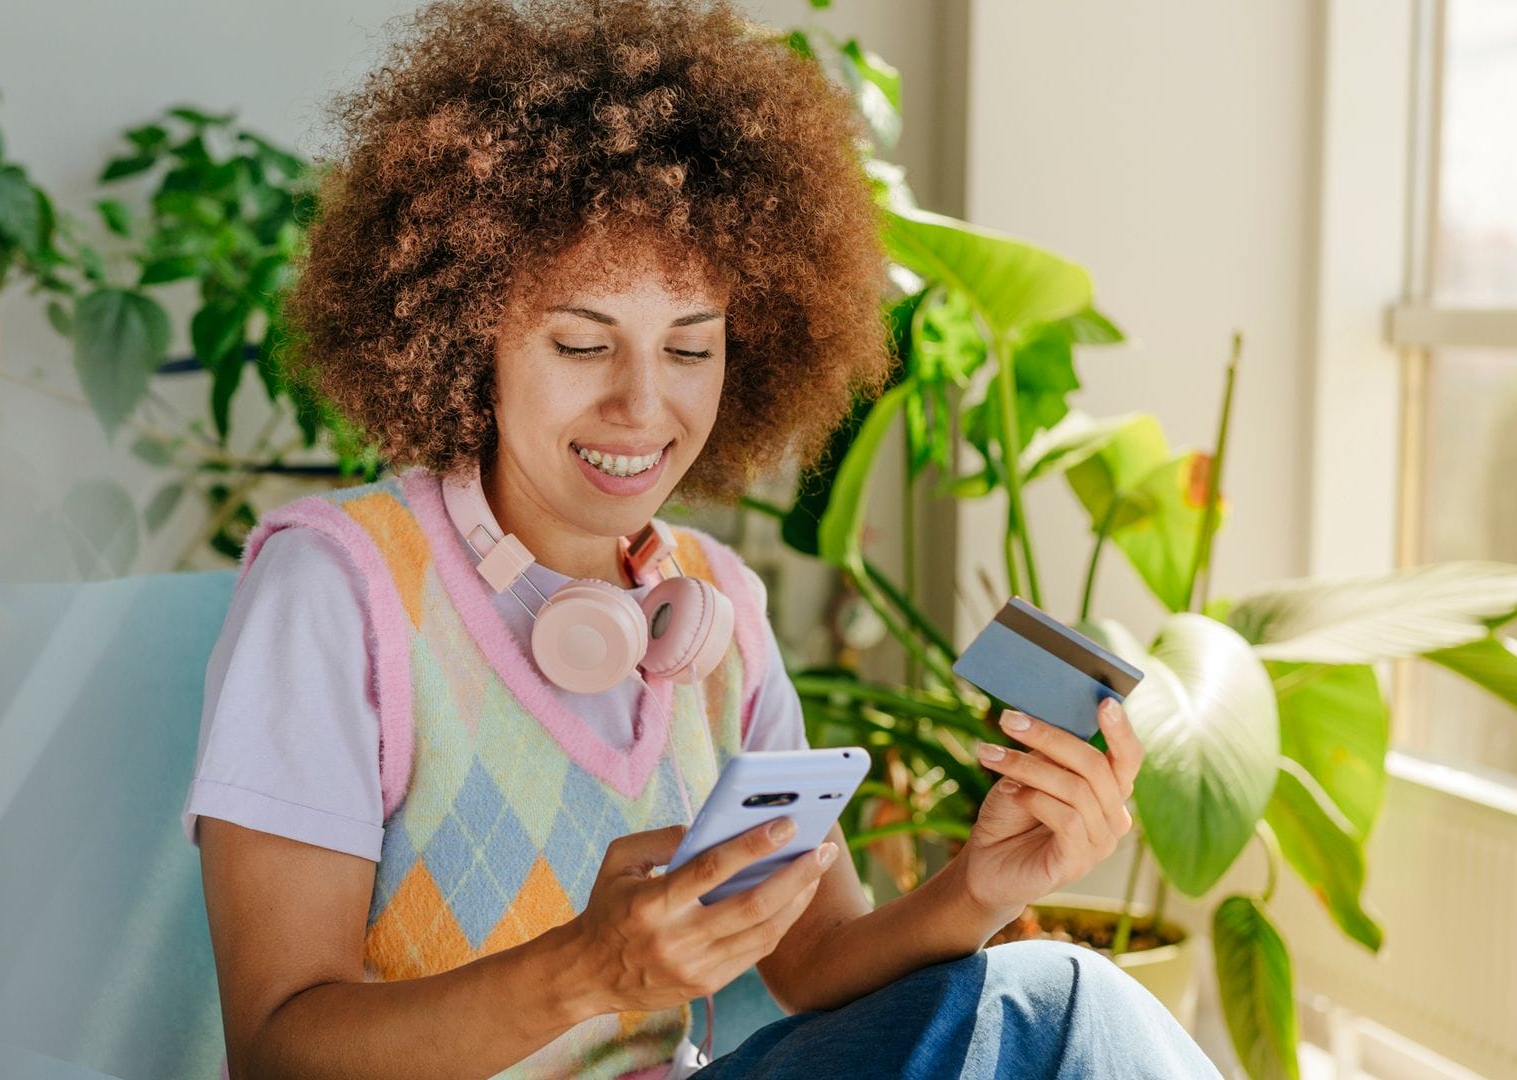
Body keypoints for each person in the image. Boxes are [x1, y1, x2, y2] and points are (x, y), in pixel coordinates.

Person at [183, 1, 1223, 1076]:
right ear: (465, 328)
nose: (643, 406)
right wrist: (589, 971)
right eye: (583, 342)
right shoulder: (338, 589)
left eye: (690, 348)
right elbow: (278, 1052)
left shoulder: (713, 608)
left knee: (1053, 1000)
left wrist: (985, 886)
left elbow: (813, 963)